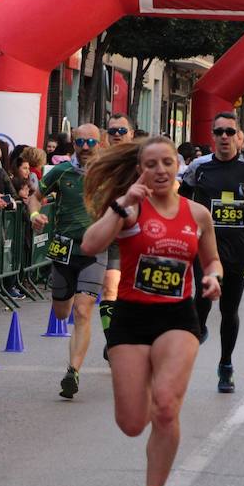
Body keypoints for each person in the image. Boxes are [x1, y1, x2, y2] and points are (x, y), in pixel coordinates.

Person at [81, 137, 222, 486]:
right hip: (131, 319)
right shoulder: (128, 210)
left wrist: (212, 278)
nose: (160, 170)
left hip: (178, 317)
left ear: (178, 167)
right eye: (152, 164)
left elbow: (212, 260)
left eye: (167, 162)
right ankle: (141, 382)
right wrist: (121, 204)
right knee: (131, 423)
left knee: (165, 405)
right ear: (140, 169)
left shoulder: (197, 214)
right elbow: (90, 243)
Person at [179, 111, 244, 393]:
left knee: (229, 310)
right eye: (219, 132)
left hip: (239, 251)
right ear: (212, 137)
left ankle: (225, 364)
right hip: (205, 250)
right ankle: (196, 332)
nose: (224, 137)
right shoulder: (198, 167)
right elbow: (180, 201)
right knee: (202, 297)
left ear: (238, 137)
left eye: (230, 132)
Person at [28, 123, 107, 399]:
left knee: (83, 311)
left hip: (95, 252)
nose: (85, 148)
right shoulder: (61, 172)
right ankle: (69, 298)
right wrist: (34, 216)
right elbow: (34, 198)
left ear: (100, 143)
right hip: (64, 249)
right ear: (73, 143)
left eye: (91, 143)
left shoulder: (109, 172)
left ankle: (73, 371)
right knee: (62, 312)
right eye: (80, 142)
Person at [99, 114, 135, 362]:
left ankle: (128, 334)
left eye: (122, 130)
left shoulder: (143, 159)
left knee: (133, 293)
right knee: (110, 287)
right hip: (111, 234)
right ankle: (113, 340)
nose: (117, 134)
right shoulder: (99, 162)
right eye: (112, 130)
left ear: (131, 133)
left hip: (140, 235)